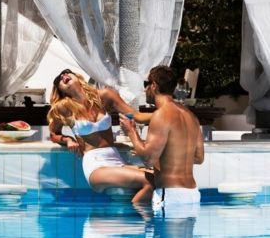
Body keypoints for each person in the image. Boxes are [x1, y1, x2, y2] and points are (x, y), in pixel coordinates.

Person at [48, 69, 153, 203]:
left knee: (161, 178)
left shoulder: (104, 96)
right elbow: (53, 134)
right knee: (150, 181)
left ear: (78, 77)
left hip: (116, 160)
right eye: (59, 79)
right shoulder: (64, 108)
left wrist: (165, 113)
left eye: (67, 72)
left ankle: (136, 214)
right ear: (60, 90)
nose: (63, 75)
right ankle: (136, 214)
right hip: (95, 165)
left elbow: (137, 116)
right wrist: (67, 139)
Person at [119, 65, 204, 213]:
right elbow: (199, 157)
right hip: (192, 193)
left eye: (146, 84)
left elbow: (148, 159)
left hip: (170, 194)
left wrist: (131, 132)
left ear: (154, 86)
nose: (144, 90)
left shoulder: (161, 114)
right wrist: (166, 155)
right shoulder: (191, 116)